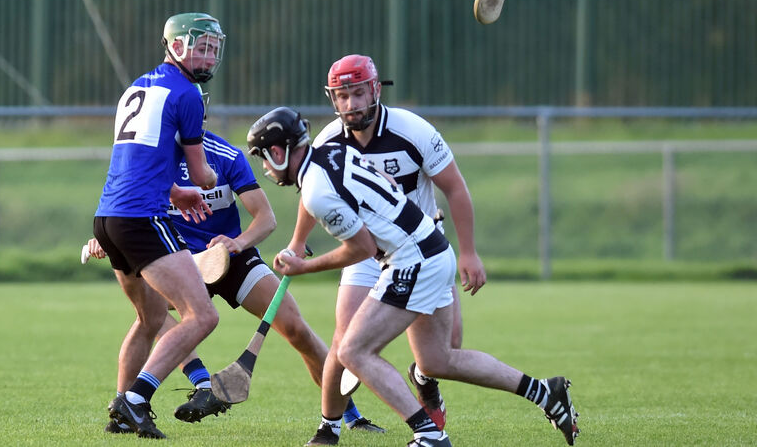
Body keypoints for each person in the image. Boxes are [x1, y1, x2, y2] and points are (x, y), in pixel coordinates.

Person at [247, 107, 580, 447]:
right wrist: (299, 243)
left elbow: (362, 248)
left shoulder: (318, 190)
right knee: (437, 360)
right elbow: (381, 184)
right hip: (435, 248)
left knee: (352, 351)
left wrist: (304, 267)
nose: (265, 168)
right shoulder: (334, 151)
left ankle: (429, 434)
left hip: (411, 260)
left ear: (278, 152)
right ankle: (546, 392)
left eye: (263, 158)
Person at [89, 127, 384, 435]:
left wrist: (237, 243)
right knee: (152, 315)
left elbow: (266, 218)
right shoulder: (149, 156)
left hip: (231, 259)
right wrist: (105, 238)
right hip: (178, 261)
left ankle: (349, 415)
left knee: (296, 328)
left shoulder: (226, 155)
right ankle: (176, 394)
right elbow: (123, 210)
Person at [284, 54, 486, 445]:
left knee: (446, 351)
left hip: (421, 250)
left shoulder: (413, 131)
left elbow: (455, 188)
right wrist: (297, 241)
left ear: (376, 90)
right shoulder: (328, 139)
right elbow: (310, 192)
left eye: (358, 93)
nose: (350, 104)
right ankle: (328, 428)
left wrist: (469, 252)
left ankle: (424, 378)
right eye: (342, 96)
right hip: (366, 252)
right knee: (345, 340)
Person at [93, 12, 226, 439]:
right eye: (201, 47)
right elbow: (203, 173)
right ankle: (134, 400)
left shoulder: (137, 86)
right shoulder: (188, 93)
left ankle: (120, 411)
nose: (209, 56)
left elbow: (139, 160)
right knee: (202, 316)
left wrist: (174, 190)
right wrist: (210, 180)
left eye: (213, 48)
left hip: (107, 218)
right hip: (141, 218)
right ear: (175, 45)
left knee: (150, 317)